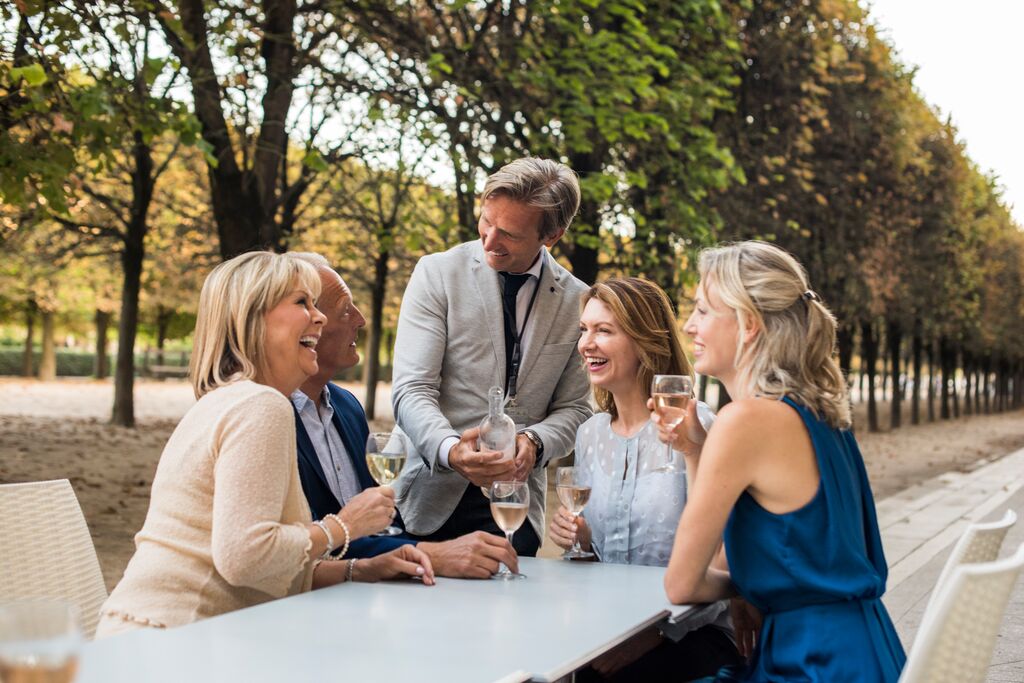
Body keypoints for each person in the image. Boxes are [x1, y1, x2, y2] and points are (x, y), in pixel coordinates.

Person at [96, 252, 434, 637]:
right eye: (301, 303)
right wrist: (344, 526)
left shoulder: (233, 400)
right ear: (254, 318)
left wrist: (358, 569)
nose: (319, 317)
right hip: (174, 642)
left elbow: (255, 567)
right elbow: (246, 557)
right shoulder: (263, 406)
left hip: (153, 636)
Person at [658, 241, 906, 681]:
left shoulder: (745, 421)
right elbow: (722, 562)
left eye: (703, 310)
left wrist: (750, 586)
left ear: (748, 324)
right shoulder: (819, 411)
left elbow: (684, 583)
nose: (690, 325)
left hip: (811, 663)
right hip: (862, 652)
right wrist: (695, 450)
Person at [391, 157, 593, 556]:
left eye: (509, 234)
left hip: (515, 511)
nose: (489, 241)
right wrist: (451, 450)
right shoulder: (436, 274)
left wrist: (534, 442)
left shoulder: (579, 300)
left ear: (552, 236)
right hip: (427, 500)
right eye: (486, 222)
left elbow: (575, 409)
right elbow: (412, 389)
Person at [547, 277, 740, 681]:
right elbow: (597, 565)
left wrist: (658, 632)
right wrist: (580, 543)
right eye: (584, 330)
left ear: (645, 341)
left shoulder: (700, 426)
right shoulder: (590, 434)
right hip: (607, 631)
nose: (586, 343)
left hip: (689, 638)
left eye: (604, 330)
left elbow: (729, 559)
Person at [289, 253, 520, 578]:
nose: (360, 319)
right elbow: (304, 546)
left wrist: (420, 552)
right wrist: (429, 555)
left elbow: (380, 521)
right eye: (345, 309)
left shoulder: (347, 406)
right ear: (310, 324)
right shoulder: (268, 416)